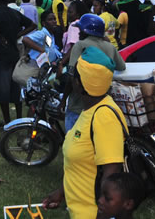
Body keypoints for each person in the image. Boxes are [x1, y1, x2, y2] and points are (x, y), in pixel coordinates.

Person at [43, 46, 126, 219]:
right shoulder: (90, 109)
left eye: (74, 74)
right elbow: (82, 166)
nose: (71, 78)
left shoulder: (104, 116)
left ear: (81, 83)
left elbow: (112, 174)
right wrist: (61, 192)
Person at [62, 14, 126, 131]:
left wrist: (63, 100)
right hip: (102, 101)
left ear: (87, 31)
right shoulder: (109, 47)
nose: (79, 33)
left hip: (78, 104)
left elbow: (72, 76)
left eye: (80, 30)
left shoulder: (80, 45)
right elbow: (121, 66)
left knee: (74, 139)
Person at [0, 0, 35, 132]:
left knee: (2, 90)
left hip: (1, 55)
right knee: (15, 87)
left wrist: (0, 38)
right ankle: (19, 119)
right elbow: (32, 25)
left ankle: (8, 122)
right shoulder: (14, 13)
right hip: (14, 53)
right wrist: (17, 35)